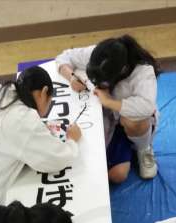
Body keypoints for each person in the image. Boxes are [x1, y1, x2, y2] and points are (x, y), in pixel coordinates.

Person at [0, 65, 82, 202]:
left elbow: (8, 128)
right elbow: (56, 159)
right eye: (49, 101)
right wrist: (72, 139)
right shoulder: (23, 119)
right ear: (44, 92)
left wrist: (37, 128)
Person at [56, 35, 160, 183]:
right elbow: (65, 56)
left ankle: (144, 149)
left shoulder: (143, 71)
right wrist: (71, 77)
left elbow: (146, 107)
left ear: (123, 70)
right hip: (104, 117)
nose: (97, 84)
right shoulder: (98, 55)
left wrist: (109, 101)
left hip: (128, 121)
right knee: (114, 173)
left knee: (133, 121)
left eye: (102, 82)